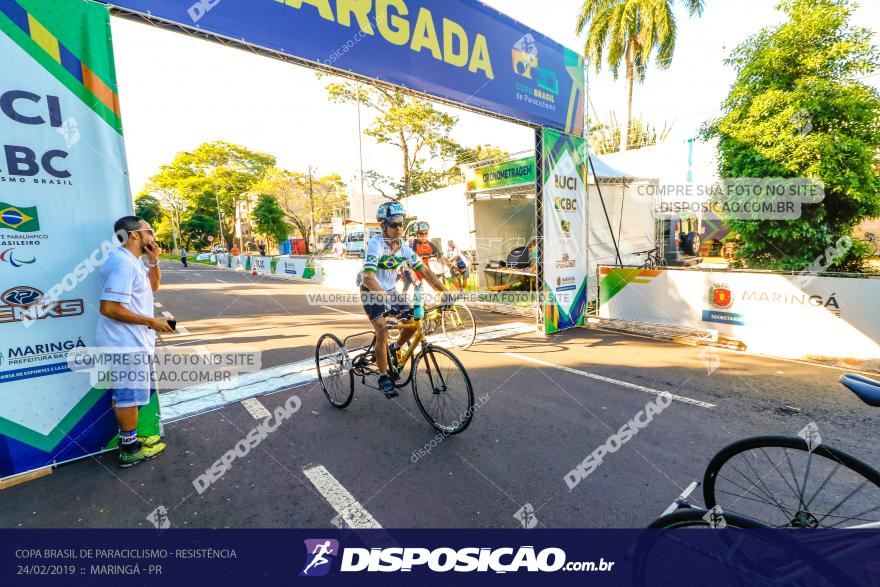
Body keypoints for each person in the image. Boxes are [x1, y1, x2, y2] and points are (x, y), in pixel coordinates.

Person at [96, 216, 174, 467]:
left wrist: (154, 262)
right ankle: (129, 449)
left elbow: (153, 288)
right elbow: (108, 308)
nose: (153, 236)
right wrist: (152, 322)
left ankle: (130, 441)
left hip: (132, 341)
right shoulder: (123, 264)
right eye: (149, 231)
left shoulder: (133, 261)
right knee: (128, 395)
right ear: (135, 235)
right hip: (125, 342)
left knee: (129, 393)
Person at [358, 201, 451, 398]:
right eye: (394, 224)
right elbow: (368, 277)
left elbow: (424, 271)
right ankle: (383, 377)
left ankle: (395, 347)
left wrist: (445, 291)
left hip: (391, 289)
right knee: (382, 331)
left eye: (401, 224)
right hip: (370, 289)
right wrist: (386, 301)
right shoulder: (376, 244)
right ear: (383, 226)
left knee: (411, 324)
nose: (399, 228)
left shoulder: (404, 248)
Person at [401, 221, 443, 294]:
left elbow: (440, 257)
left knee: (434, 283)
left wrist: (450, 266)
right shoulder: (413, 244)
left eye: (426, 233)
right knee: (410, 287)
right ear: (417, 234)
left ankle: (440, 298)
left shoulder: (429, 243)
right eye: (421, 233)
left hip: (425, 268)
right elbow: (411, 260)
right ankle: (403, 300)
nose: (424, 236)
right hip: (412, 269)